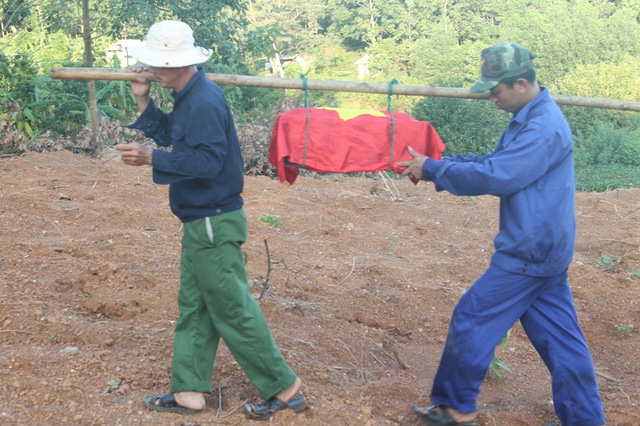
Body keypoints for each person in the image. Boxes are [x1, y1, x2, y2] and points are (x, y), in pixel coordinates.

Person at [397, 43, 606, 426]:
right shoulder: (531, 117)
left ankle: (456, 408)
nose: (492, 98)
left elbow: (499, 176)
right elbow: (495, 162)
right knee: (560, 339)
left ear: (520, 84)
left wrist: (434, 170)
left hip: (530, 249)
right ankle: (585, 419)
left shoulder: (541, 128)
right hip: (547, 246)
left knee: (473, 317)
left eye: (495, 91)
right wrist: (439, 165)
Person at [114, 20, 307, 420]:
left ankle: (284, 386)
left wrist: (150, 157)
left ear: (176, 63)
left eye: (157, 64)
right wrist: (144, 101)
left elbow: (206, 162)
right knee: (195, 306)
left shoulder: (204, 100)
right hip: (200, 221)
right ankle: (189, 390)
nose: (152, 70)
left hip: (212, 222)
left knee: (232, 308)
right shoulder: (189, 96)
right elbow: (173, 135)